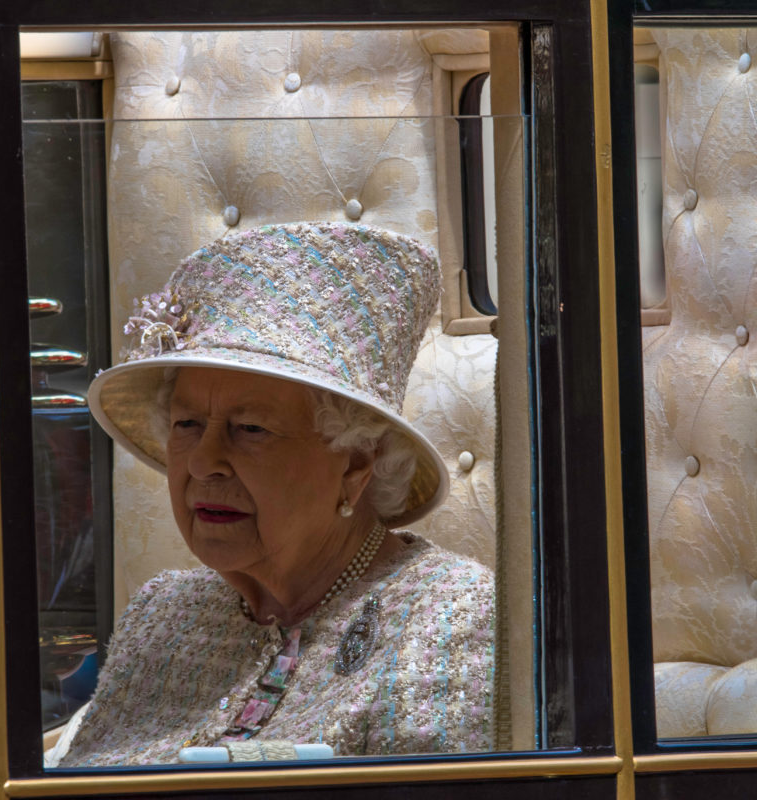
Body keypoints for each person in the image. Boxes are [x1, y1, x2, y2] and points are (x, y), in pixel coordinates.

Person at [52, 222, 494, 766]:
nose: (203, 462)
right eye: (188, 423)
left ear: (354, 464)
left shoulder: (450, 618)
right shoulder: (162, 614)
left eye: (251, 429)